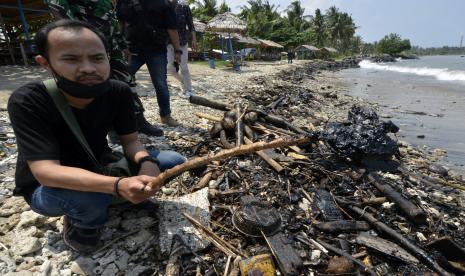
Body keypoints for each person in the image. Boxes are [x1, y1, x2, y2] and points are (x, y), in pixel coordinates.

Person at [7, 20, 185, 253]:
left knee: (173, 161)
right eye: (71, 59)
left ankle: (120, 195)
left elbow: (130, 141)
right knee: (91, 200)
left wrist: (147, 163)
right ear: (45, 63)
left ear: (108, 58)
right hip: (47, 187)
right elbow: (46, 172)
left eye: (97, 58)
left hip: (97, 166)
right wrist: (118, 184)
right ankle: (83, 223)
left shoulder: (118, 91)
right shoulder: (28, 100)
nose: (88, 68)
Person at [44, 0, 164, 137]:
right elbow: (60, 14)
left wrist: (122, 45)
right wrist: (80, 41)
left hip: (112, 47)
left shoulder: (105, 1)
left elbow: (112, 21)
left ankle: (138, 121)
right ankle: (112, 129)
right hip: (87, 48)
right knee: (96, 87)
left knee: (128, 83)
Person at [117, 0, 182, 126]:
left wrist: (178, 51)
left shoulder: (164, 3)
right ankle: (125, 115)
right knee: (122, 80)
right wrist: (120, 46)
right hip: (132, 51)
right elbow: (121, 24)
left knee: (161, 84)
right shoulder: (124, 2)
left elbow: (172, 28)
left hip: (156, 51)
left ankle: (166, 115)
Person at [167, 0, 196, 98]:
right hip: (168, 43)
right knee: (169, 67)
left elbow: (191, 25)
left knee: (184, 67)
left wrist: (194, 39)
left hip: (182, 42)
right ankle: (184, 81)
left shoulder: (185, 7)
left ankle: (188, 90)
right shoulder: (165, 6)